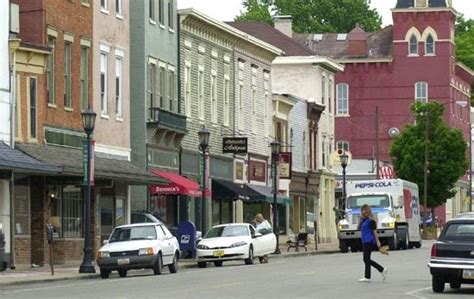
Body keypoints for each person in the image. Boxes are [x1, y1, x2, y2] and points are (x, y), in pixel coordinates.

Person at [357, 204, 388, 282]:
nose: (362, 212)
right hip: (364, 240)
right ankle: (380, 270)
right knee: (366, 259)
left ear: (367, 211)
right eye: (362, 210)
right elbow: (358, 228)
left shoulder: (371, 221)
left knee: (366, 259)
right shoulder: (363, 220)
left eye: (364, 210)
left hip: (369, 241)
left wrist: (378, 242)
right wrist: (360, 220)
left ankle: (371, 274)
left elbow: (374, 232)